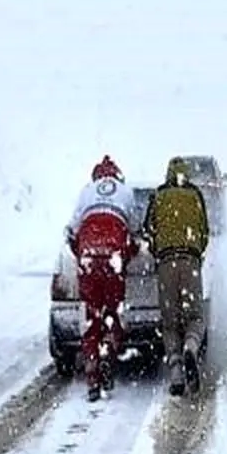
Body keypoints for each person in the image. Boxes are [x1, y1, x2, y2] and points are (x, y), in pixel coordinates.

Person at [65, 155, 140, 402]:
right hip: (113, 257)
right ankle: (109, 351)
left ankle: (92, 376)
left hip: (89, 258)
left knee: (92, 318)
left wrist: (82, 254)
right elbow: (135, 232)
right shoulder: (126, 192)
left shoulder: (86, 192)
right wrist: (128, 254)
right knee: (113, 313)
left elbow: (71, 232)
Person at [142, 157, 210, 396]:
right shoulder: (195, 195)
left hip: (166, 263)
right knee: (195, 317)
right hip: (190, 261)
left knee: (170, 323)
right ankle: (191, 345)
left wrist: (158, 252)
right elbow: (205, 232)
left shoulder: (159, 196)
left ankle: (176, 373)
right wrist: (195, 253)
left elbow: (147, 229)